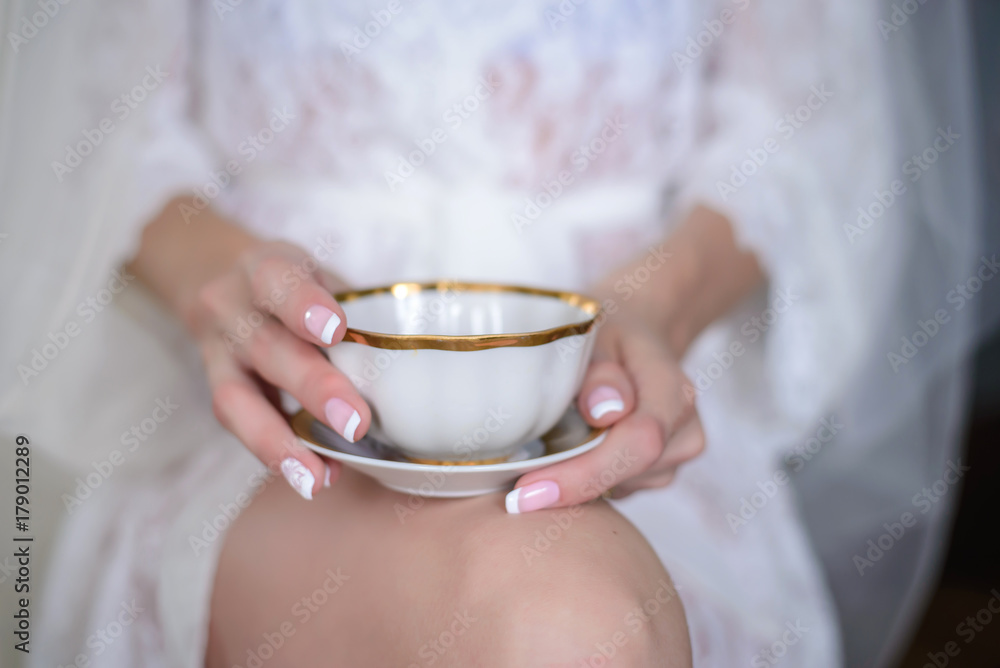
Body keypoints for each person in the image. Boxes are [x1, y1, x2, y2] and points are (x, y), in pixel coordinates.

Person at [0, 0, 982, 666]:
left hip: (634, 410)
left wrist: (654, 306)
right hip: (272, 409)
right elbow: (85, 132)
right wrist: (225, 282)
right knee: (564, 617)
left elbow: (805, 129)